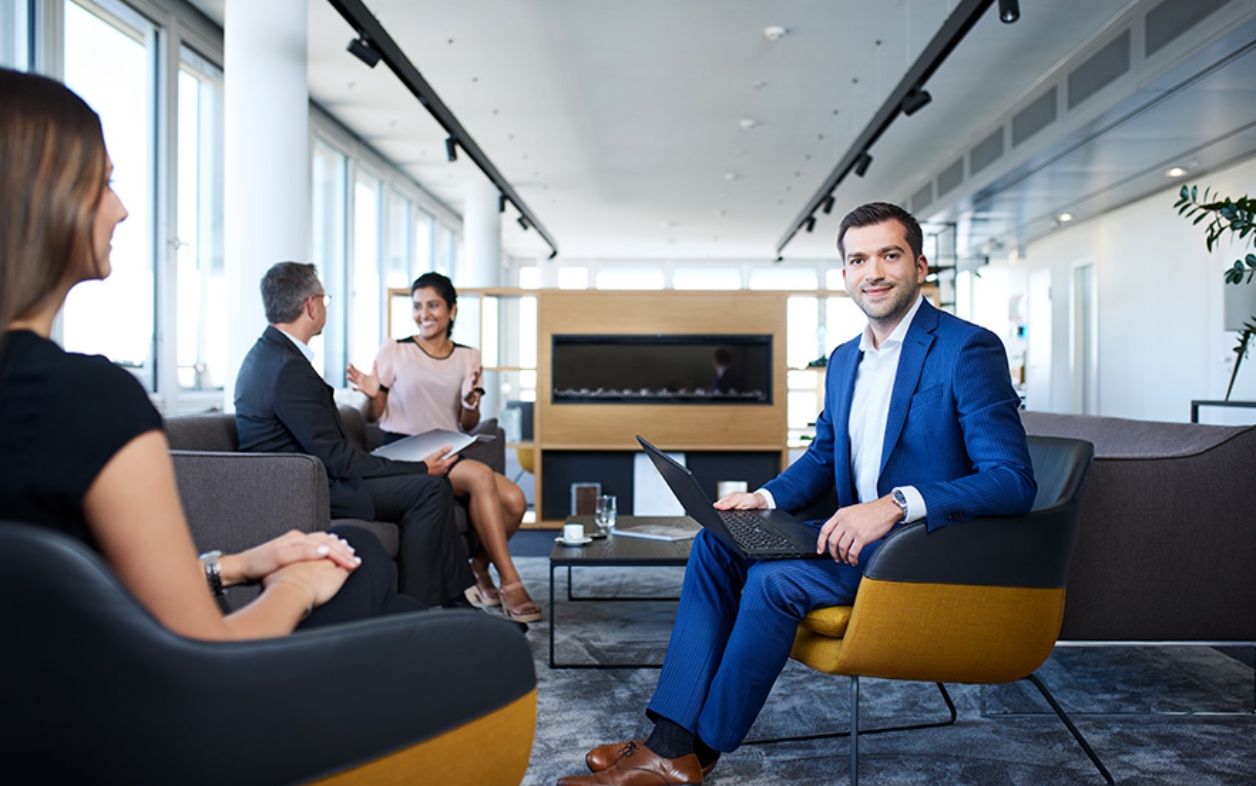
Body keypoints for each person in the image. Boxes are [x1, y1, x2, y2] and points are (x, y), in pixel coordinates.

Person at [556, 202, 1037, 786]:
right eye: (858, 259)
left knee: (772, 579)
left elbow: (1012, 479)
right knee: (716, 544)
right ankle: (670, 740)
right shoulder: (843, 360)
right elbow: (822, 460)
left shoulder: (967, 349)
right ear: (844, 274)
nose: (874, 272)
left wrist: (895, 504)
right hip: (846, 541)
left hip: (917, 551)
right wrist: (763, 499)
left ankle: (691, 753)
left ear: (920, 264)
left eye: (890, 255)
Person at [0, 68, 422, 639]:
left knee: (380, 599)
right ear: (45, 200)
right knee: (365, 569)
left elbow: (87, 585)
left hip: (51, 693)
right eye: (103, 183)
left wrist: (242, 565)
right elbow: (205, 651)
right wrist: (294, 586)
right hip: (146, 706)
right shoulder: (87, 402)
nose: (121, 210)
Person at [235, 263, 478, 610]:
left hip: (303, 479)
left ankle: (457, 604)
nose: (324, 307)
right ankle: (418, 610)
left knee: (431, 487)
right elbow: (339, 460)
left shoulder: (267, 355)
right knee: (429, 488)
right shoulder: (289, 368)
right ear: (311, 305)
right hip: (309, 489)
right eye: (324, 299)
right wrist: (420, 468)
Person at [347, 272, 540, 622]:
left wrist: (469, 401)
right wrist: (373, 396)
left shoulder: (468, 356)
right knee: (482, 476)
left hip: (447, 448)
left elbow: (467, 423)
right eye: (417, 307)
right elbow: (372, 418)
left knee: (515, 501)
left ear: (451, 311)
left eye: (433, 305)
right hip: (403, 449)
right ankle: (511, 582)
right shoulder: (396, 350)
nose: (424, 314)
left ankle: (480, 569)